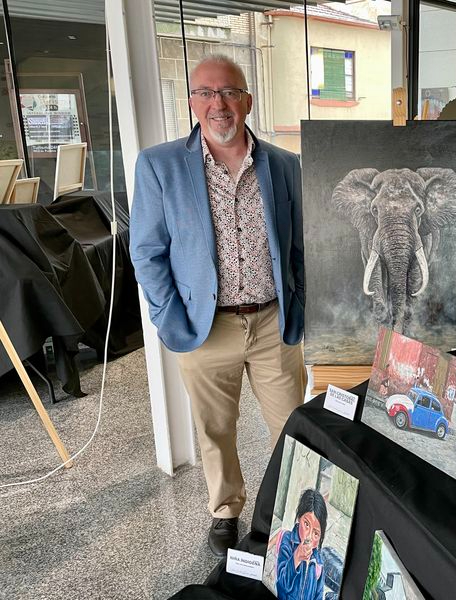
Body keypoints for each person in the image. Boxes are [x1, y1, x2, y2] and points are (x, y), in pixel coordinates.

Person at [130, 55, 306, 557]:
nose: (218, 103)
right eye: (206, 93)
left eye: (228, 91)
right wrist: (170, 319)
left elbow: (299, 246)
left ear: (247, 100)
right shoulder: (159, 165)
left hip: (272, 322)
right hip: (204, 327)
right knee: (216, 430)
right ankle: (226, 511)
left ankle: (293, 510)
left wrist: (301, 304)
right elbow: (147, 251)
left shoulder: (284, 164)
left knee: (293, 425)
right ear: (192, 102)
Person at [274, 489, 328, 600]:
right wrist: (296, 558)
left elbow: (318, 595)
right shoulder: (287, 541)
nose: (308, 536)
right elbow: (282, 584)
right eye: (306, 524)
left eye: (316, 533)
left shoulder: (318, 562)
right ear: (299, 518)